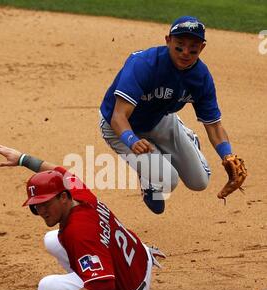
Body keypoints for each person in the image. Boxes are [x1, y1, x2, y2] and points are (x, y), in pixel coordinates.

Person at [0, 144, 165, 290]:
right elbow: (60, 173)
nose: (41, 211)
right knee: (52, 239)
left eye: (46, 204)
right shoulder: (78, 193)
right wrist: (22, 159)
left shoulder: (79, 232)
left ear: (63, 197)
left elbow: (104, 284)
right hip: (139, 260)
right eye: (36, 206)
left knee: (47, 287)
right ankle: (93, 271)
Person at [99, 15, 247, 214]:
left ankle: (188, 137)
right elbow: (118, 116)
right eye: (179, 46)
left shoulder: (201, 77)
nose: (185, 53)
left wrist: (227, 154)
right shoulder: (144, 64)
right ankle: (148, 181)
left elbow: (213, 125)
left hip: (160, 120)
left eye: (193, 48)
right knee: (168, 180)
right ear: (168, 40)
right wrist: (132, 140)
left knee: (199, 181)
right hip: (119, 128)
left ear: (202, 48)